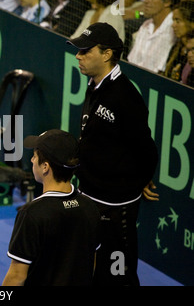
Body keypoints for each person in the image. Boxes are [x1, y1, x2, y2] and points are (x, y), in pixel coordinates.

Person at [66, 22, 159, 286]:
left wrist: (138, 180)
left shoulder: (125, 97)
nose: (78, 56)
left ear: (107, 54)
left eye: (85, 51)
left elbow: (146, 149)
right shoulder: (94, 84)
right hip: (90, 193)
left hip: (115, 205)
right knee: (91, 266)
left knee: (119, 273)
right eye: (78, 50)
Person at [2, 129, 101, 286]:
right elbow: (92, 263)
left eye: (35, 156)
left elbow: (16, 276)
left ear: (45, 167)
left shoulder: (31, 214)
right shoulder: (90, 207)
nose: (33, 160)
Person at [127, 0, 180, 73]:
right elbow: (132, 62)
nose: (145, 0)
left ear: (167, 1)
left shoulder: (174, 30)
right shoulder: (145, 26)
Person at [162, 0, 194, 81]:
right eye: (173, 20)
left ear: (191, 23)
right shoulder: (176, 49)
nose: (173, 25)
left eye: (178, 20)